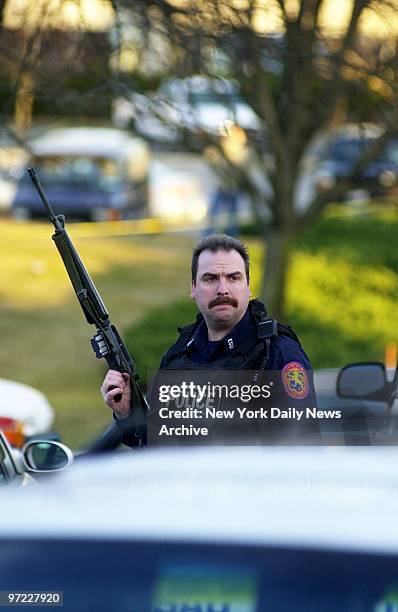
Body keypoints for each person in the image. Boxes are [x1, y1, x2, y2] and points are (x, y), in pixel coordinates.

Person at [101, 234, 316, 444]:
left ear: (248, 286)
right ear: (194, 288)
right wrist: (126, 412)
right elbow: (158, 444)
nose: (223, 289)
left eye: (233, 277)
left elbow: (297, 456)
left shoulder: (277, 354)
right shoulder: (181, 352)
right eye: (210, 278)